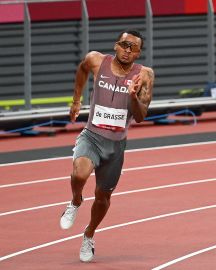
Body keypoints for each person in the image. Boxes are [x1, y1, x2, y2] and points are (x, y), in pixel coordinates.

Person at [59, 29, 154, 262]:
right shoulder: (96, 60)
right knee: (79, 174)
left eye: (133, 48)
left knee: (102, 197)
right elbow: (81, 70)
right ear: (116, 45)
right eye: (124, 45)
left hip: (116, 146)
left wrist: (133, 96)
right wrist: (76, 100)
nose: (127, 50)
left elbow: (141, 116)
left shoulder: (145, 75)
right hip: (91, 136)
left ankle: (89, 234)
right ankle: (75, 200)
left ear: (139, 53)